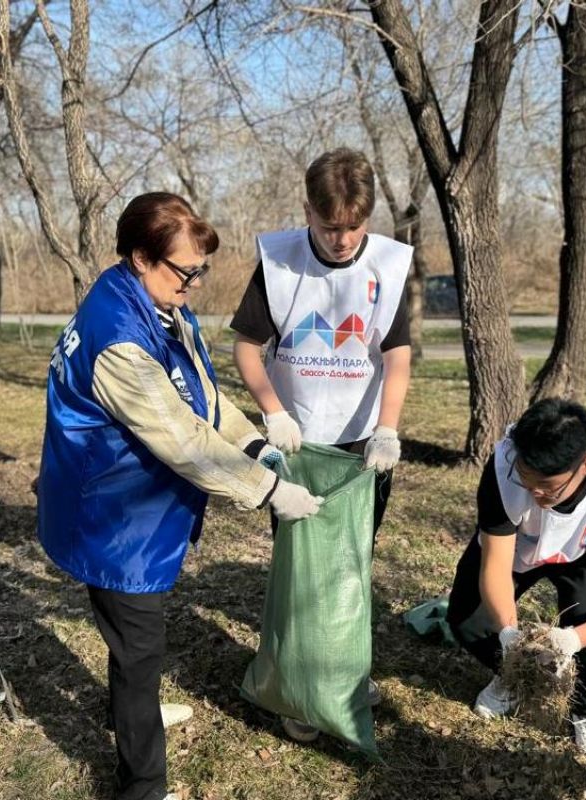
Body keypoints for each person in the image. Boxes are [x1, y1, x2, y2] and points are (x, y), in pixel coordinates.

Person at [36, 192, 323, 800]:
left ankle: (127, 716)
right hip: (109, 515)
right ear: (141, 257)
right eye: (184, 270)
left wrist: (253, 445)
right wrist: (269, 490)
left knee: (131, 645)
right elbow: (182, 441)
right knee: (140, 647)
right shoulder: (117, 338)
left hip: (131, 504)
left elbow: (200, 394)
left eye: (200, 271)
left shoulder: (159, 304)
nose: (193, 283)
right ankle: (143, 785)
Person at [230, 147, 413, 742]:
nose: (341, 239)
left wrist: (387, 427)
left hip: (362, 445)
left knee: (354, 560)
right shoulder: (280, 262)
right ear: (307, 209)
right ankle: (300, 685)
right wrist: (273, 413)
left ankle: (342, 671)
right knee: (302, 564)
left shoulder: (386, 265)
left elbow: (397, 354)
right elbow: (245, 348)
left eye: (353, 227)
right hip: (300, 440)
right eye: (329, 226)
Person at [444, 399, 586, 776]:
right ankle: (511, 676)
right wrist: (510, 635)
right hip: (523, 543)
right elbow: (496, 565)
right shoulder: (504, 465)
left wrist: (575, 639)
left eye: (547, 486)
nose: (534, 493)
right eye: (525, 479)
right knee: (468, 617)